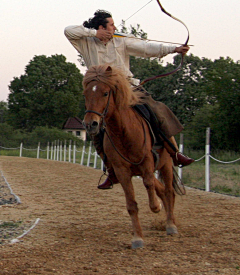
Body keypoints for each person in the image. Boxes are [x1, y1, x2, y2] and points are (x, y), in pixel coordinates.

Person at [64, 10, 194, 189]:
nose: (114, 27)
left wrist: (174, 49)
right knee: (95, 129)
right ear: (101, 27)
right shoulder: (86, 41)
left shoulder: (121, 40)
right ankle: (111, 170)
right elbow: (68, 30)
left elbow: (147, 49)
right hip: (102, 94)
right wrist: (95, 34)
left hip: (128, 89)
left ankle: (175, 153)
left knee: (156, 110)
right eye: (110, 25)